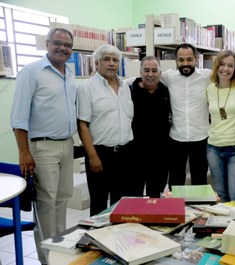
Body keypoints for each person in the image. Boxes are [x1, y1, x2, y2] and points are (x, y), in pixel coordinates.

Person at [10, 27, 77, 264]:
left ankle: (59, 252)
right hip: (42, 146)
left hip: (66, 144)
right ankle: (48, 259)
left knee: (62, 200)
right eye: (57, 43)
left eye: (67, 45)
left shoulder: (69, 73)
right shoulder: (31, 72)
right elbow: (18, 117)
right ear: (47, 44)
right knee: (46, 204)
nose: (62, 48)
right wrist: (23, 152)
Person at [77, 44, 134, 216]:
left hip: (125, 154)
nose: (111, 63)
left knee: (121, 202)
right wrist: (92, 156)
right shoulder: (86, 88)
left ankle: (118, 239)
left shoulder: (125, 87)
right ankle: (96, 240)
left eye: (115, 60)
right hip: (100, 154)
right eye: (106, 59)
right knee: (99, 203)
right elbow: (82, 124)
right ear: (96, 63)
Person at [206, 50, 235, 202]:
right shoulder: (210, 89)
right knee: (221, 195)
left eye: (230, 66)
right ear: (216, 66)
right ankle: (225, 226)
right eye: (222, 64)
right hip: (213, 147)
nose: (226, 69)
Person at [161, 43, 211, 188]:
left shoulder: (207, 76)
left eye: (189, 59)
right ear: (176, 60)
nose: (185, 63)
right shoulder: (169, 77)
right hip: (177, 138)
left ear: (196, 59)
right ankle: (176, 209)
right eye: (181, 60)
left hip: (201, 138)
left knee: (200, 178)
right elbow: (145, 76)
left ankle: (199, 209)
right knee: (175, 179)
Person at [129, 56, 171, 197]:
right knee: (134, 196)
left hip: (160, 157)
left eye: (154, 70)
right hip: (135, 156)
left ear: (160, 72)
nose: (150, 74)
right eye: (146, 70)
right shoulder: (129, 91)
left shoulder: (166, 92)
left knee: (155, 196)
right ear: (140, 72)